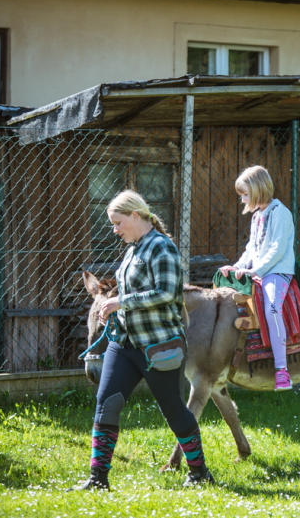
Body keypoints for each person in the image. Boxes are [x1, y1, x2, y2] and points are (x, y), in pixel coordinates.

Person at [70, 190, 214, 491]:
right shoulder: (133, 249)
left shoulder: (163, 248)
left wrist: (121, 302)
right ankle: (98, 479)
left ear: (136, 216)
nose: (114, 230)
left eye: (118, 222)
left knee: (174, 408)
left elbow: (166, 293)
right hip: (123, 345)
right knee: (105, 405)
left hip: (158, 345)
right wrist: (110, 312)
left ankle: (199, 472)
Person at [219, 165, 296, 391]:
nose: (242, 200)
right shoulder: (257, 217)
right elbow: (251, 248)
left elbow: (277, 249)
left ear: (257, 190)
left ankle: (282, 370)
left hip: (277, 272)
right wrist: (238, 266)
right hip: (259, 271)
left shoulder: (280, 213)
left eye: (244, 194)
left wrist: (257, 270)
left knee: (273, 308)